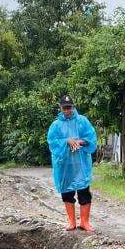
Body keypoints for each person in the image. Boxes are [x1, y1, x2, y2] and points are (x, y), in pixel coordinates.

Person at [47, 94, 97, 232]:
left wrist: (81, 141)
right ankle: (72, 222)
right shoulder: (55, 125)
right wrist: (66, 141)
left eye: (69, 107)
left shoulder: (83, 121)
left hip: (81, 165)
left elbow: (91, 138)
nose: (67, 110)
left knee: (84, 192)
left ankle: (85, 222)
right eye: (64, 108)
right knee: (67, 192)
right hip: (64, 166)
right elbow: (52, 142)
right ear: (61, 108)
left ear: (73, 107)